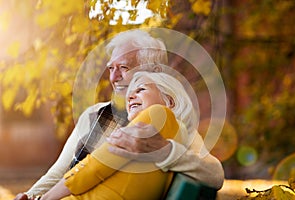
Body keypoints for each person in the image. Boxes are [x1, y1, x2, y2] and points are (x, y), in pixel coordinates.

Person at [14, 29, 224, 200]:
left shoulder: (168, 122)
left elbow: (214, 174)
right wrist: (31, 196)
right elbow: (58, 172)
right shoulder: (95, 114)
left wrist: (165, 150)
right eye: (111, 68)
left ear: (154, 70)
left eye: (123, 67)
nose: (114, 77)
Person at [40, 71, 198, 200]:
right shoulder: (174, 135)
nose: (129, 97)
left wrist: (45, 198)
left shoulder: (160, 113)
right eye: (130, 93)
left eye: (141, 89)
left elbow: (94, 166)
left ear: (169, 101)